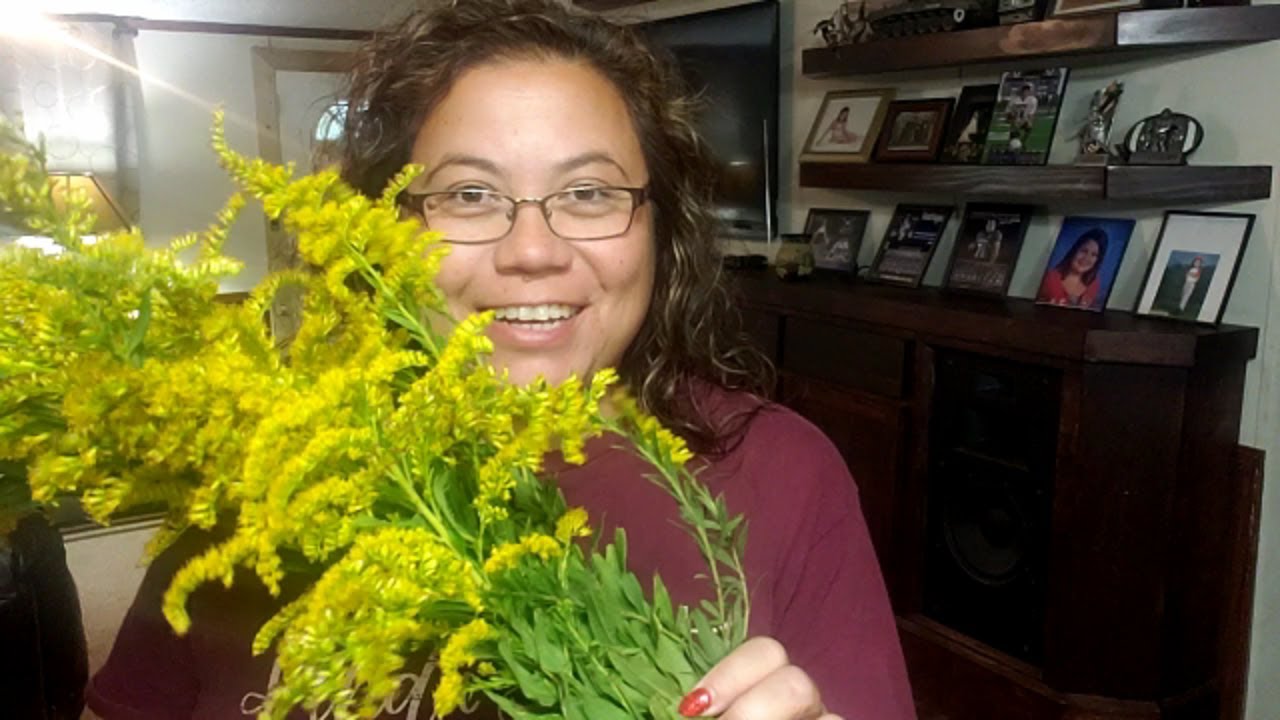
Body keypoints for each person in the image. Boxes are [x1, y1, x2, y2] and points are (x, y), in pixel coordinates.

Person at [86, 1, 914, 719]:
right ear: (384, 233)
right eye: (468, 195)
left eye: (589, 193)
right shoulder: (259, 471)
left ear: (661, 228)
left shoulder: (784, 474)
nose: (532, 251)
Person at [1037, 228, 1109, 309]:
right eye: (1084, 251)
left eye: (1094, 255)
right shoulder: (1049, 279)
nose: (1086, 258)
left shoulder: (1094, 283)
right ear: (1074, 250)